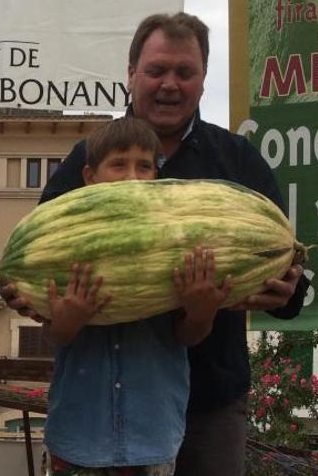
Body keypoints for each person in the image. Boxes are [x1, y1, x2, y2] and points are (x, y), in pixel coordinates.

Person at [2, 13, 307, 476]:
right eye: (156, 70)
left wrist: (287, 290)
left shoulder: (239, 160)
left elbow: (288, 276)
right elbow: (38, 266)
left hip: (211, 403)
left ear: (204, 80)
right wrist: (22, 293)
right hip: (99, 407)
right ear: (131, 74)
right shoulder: (87, 158)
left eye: (185, 73)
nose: (170, 84)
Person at [42, 117, 233, 476]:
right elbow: (54, 334)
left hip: (152, 437)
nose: (133, 176)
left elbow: (187, 335)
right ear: (89, 178)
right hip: (80, 437)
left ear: (156, 179)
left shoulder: (176, 247)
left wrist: (201, 313)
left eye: (144, 166)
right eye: (118, 164)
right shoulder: (66, 245)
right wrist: (66, 323)